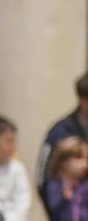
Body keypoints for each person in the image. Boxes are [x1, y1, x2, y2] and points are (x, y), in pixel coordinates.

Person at [36, 72, 88, 204]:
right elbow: (43, 176)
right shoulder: (60, 131)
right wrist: (57, 213)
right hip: (66, 215)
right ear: (83, 101)